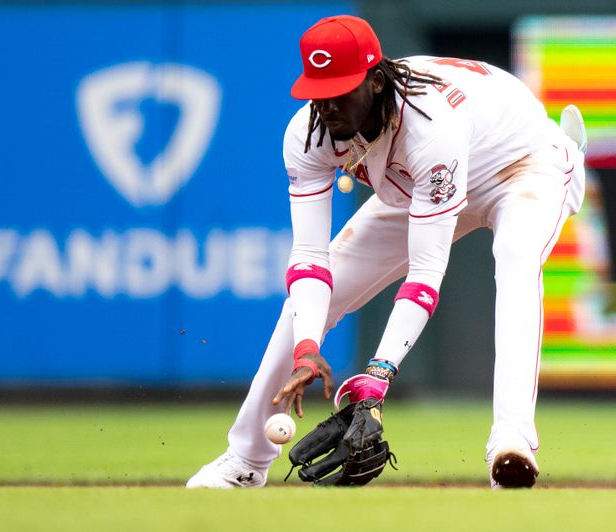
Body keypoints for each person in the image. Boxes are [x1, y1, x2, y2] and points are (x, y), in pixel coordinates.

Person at [186, 14, 586, 489]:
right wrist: (308, 348)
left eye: (342, 89)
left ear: (376, 82)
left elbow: (426, 270)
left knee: (517, 259)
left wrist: (378, 375)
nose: (328, 105)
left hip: (519, 164)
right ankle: (246, 459)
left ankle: (511, 440)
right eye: (318, 89)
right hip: (418, 188)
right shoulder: (307, 134)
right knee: (304, 307)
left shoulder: (430, 123)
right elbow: (310, 258)